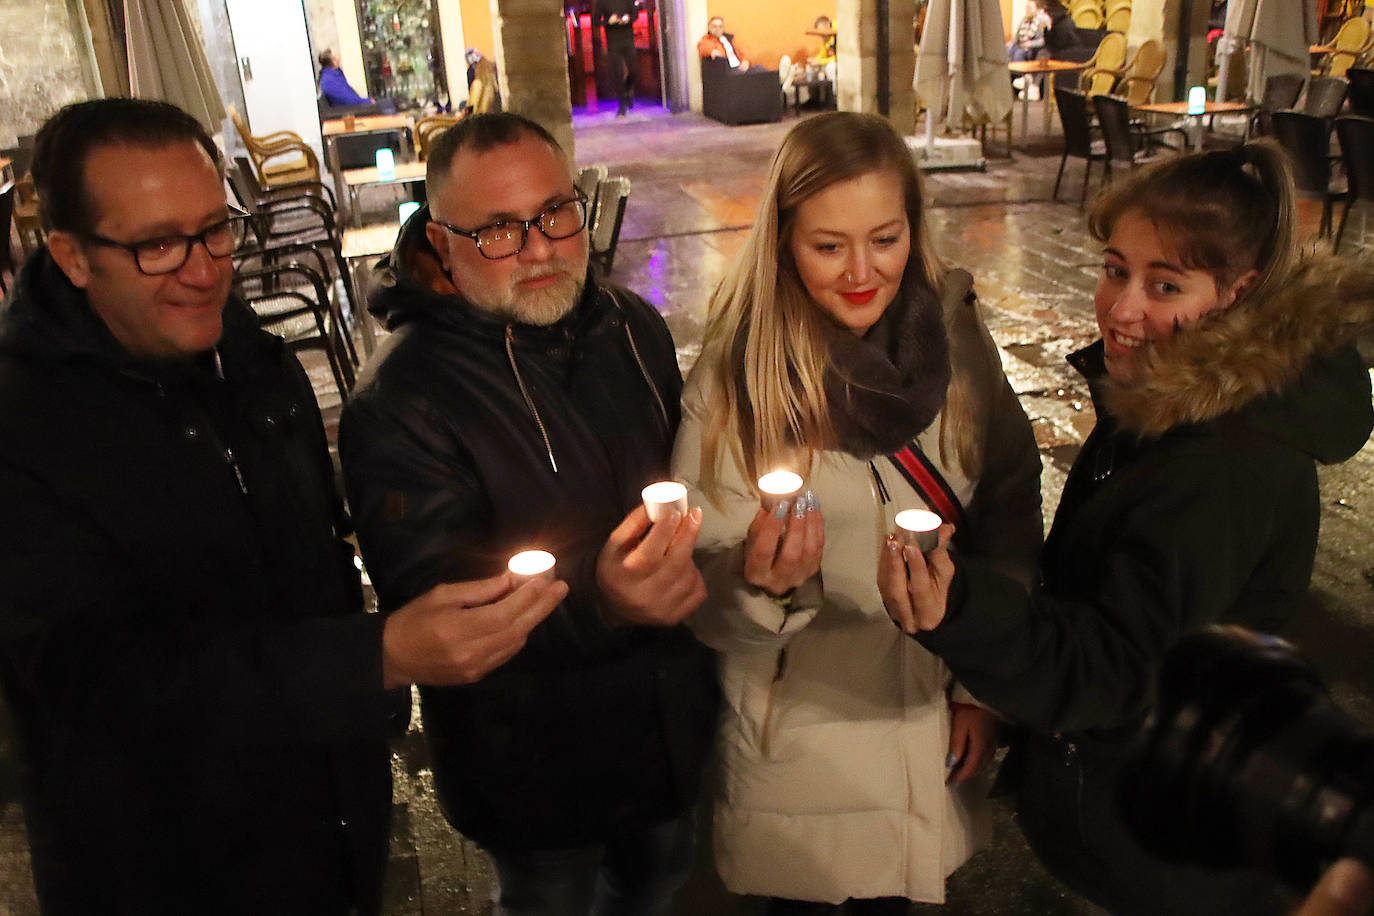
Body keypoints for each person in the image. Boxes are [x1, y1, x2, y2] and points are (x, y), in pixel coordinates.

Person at [0, 98, 569, 913]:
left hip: (329, 829)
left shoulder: (254, 362)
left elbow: (310, 559)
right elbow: (95, 687)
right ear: (72, 256)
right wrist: (375, 657)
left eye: (215, 229)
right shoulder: (23, 430)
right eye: (158, 245)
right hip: (163, 863)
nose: (203, 270)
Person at [881, 142, 1374, 915]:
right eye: (1115, 269)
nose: (1122, 307)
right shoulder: (1170, 396)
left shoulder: (1224, 462)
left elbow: (1117, 672)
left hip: (1160, 842)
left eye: (1165, 284)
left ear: (1239, 293)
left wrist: (959, 610)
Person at [338, 112, 719, 916]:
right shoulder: (402, 398)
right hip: (534, 764)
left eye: (554, 212)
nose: (541, 247)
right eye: (499, 231)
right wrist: (605, 598)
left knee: (659, 885)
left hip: (664, 733)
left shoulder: (630, 325)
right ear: (441, 244)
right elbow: (439, 602)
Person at [671, 111, 1044, 912]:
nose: (861, 272)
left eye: (885, 237)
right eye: (828, 245)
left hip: (930, 721)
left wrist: (982, 689)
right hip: (805, 757)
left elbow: (1009, 516)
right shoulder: (738, 381)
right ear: (781, 241)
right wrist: (760, 585)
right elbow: (701, 595)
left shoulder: (956, 346)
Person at [597, 0, 639, 117]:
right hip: (613, 42)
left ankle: (627, 90)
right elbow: (596, 21)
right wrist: (608, 21)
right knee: (618, 73)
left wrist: (628, 18)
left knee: (634, 71)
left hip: (628, 40)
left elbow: (635, 14)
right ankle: (622, 105)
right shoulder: (602, 2)